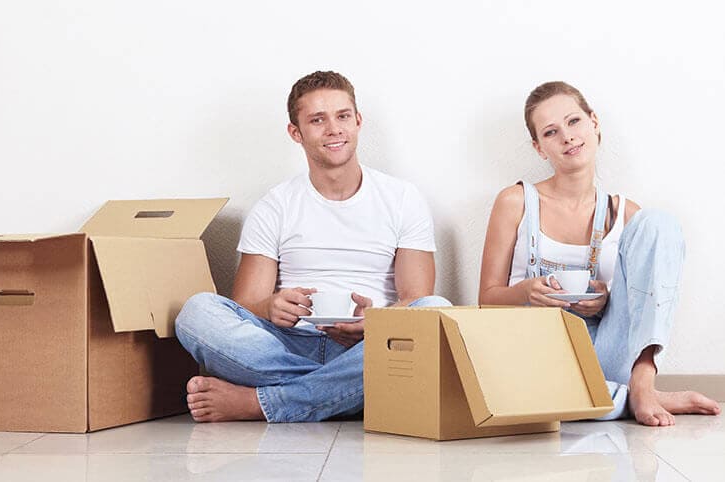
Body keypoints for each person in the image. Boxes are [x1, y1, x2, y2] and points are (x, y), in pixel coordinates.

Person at [174, 70, 450, 422]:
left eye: (343, 116)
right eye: (317, 120)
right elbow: (245, 304)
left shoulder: (402, 198)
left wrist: (376, 321)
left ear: (358, 121)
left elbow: (416, 296)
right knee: (197, 312)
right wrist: (272, 307)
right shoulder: (275, 205)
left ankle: (263, 403)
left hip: (370, 345)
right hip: (286, 344)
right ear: (296, 132)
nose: (334, 129)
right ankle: (346, 392)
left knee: (436, 310)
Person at [478, 81, 720, 426]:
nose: (567, 136)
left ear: (594, 122)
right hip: (536, 353)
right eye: (550, 132)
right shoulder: (515, 201)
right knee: (507, 388)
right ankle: (636, 399)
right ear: (539, 147)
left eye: (574, 121)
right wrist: (525, 291)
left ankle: (641, 381)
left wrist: (606, 300)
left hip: (607, 351)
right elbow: (485, 301)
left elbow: (642, 303)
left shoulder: (627, 214)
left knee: (659, 222)